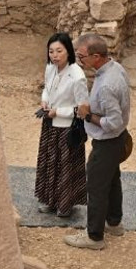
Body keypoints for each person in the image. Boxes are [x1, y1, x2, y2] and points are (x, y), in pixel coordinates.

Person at [65, 33, 131, 250]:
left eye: (82, 56)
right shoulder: (115, 68)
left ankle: (94, 237)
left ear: (96, 56)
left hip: (107, 142)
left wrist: (87, 115)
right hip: (118, 139)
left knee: (96, 187)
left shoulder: (105, 86)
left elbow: (113, 122)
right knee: (112, 180)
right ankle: (114, 223)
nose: (79, 60)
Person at [35, 33, 89, 218]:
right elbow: (46, 89)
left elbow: (82, 110)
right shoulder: (50, 68)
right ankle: (50, 200)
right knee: (51, 163)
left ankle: (65, 205)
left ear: (68, 51)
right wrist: (44, 101)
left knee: (65, 167)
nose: (55, 55)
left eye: (59, 51)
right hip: (50, 125)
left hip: (67, 128)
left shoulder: (78, 77)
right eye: (51, 51)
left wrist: (57, 111)